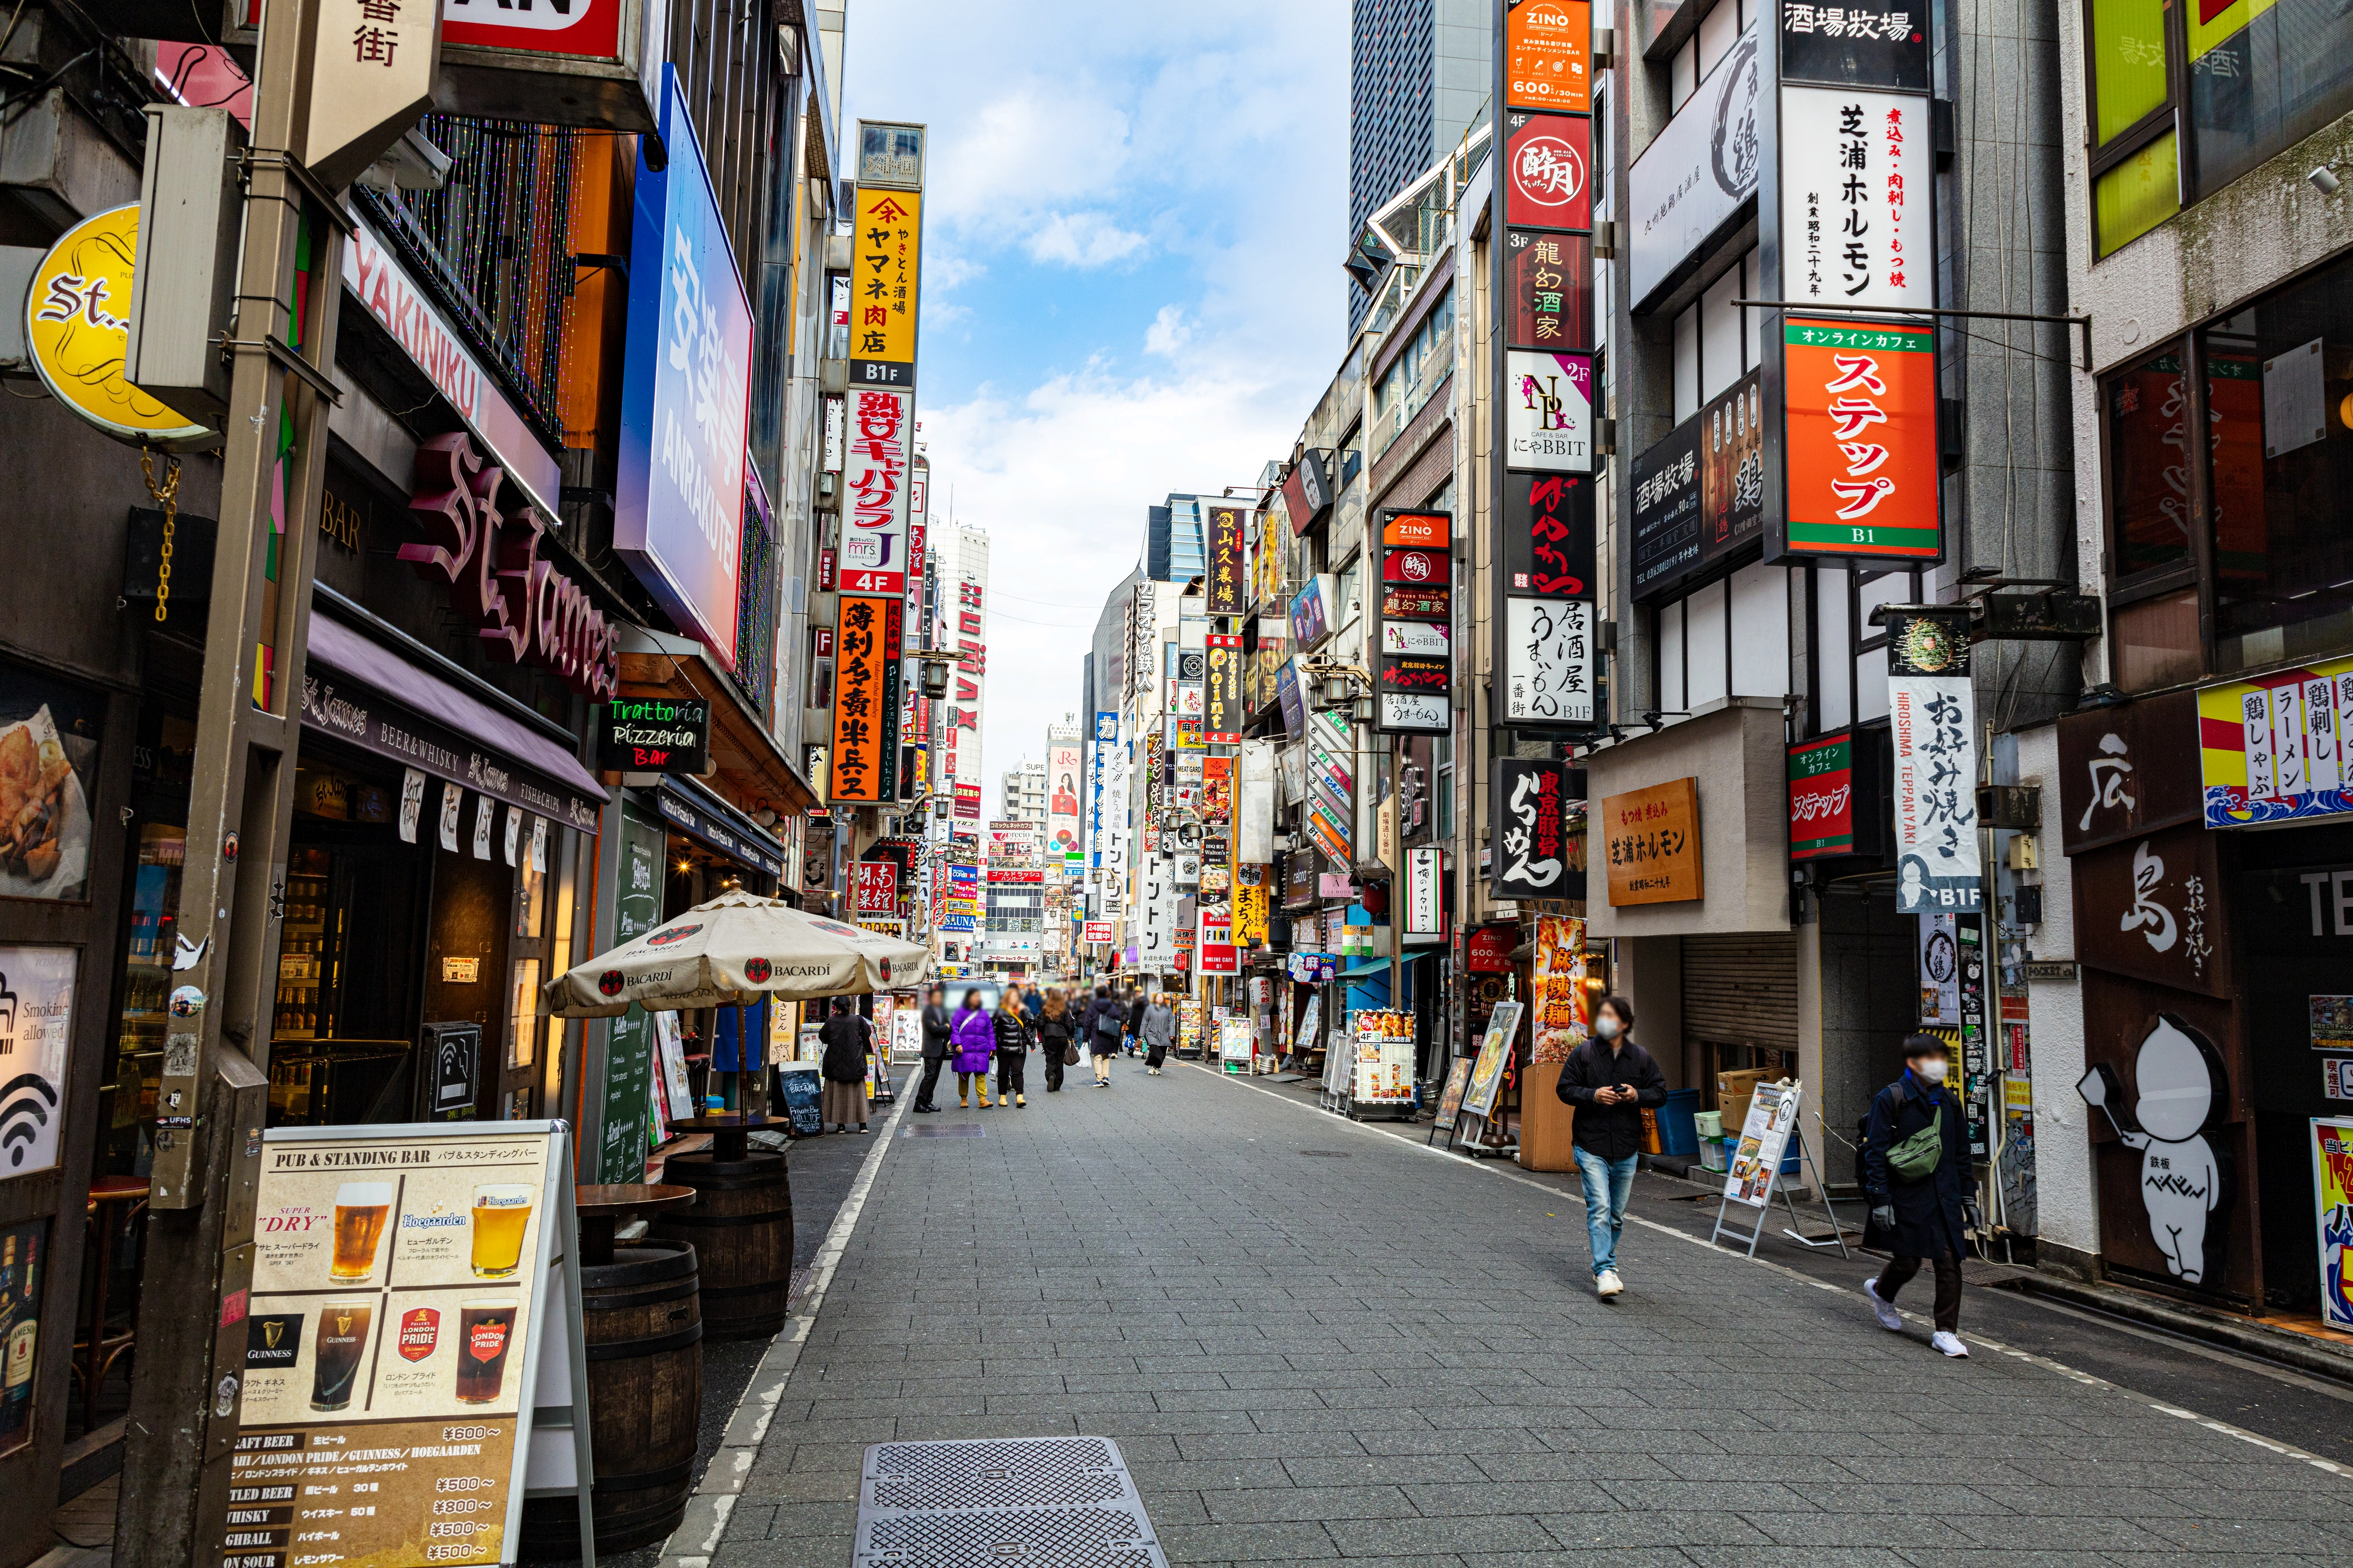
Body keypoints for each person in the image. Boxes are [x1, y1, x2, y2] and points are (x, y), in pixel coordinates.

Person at [1862, 1033, 1978, 1357]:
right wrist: (1880, 1198)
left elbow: (1961, 1154)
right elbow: (1876, 1152)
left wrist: (1968, 1196)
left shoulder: (1950, 1102)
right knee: (1908, 1262)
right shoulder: (1891, 1098)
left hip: (1944, 1196)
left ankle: (1946, 1332)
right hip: (1906, 1195)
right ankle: (1882, 1292)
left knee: (1949, 1261)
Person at [1554, 995, 1667, 1299]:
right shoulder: (1584, 1054)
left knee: (1616, 1214)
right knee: (1600, 1207)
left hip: (1627, 1147)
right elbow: (1564, 1089)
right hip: (1590, 1143)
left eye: (1612, 1017)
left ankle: (1605, 1265)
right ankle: (1604, 1269)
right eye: (1602, 1015)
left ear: (1625, 1023)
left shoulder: (1640, 1057)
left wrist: (1635, 1095)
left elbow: (1660, 1092)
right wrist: (1593, 1095)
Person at [818, 999, 874, 1134]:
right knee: (859, 1095)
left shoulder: (830, 1021)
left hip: (835, 1064)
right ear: (850, 1006)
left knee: (838, 1095)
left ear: (835, 1007)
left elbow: (823, 1038)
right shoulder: (858, 1020)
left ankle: (841, 1126)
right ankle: (863, 1126)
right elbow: (867, 1034)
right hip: (856, 1063)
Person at [950, 989, 995, 1107]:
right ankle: (964, 1099)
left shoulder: (984, 1014)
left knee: (981, 1074)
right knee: (964, 1074)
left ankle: (982, 1099)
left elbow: (990, 1032)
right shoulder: (960, 1012)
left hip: (981, 1049)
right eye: (975, 996)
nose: (978, 999)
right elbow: (955, 1029)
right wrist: (957, 1044)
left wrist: (992, 1047)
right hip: (965, 1048)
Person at [912, 986, 952, 1113]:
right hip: (931, 1049)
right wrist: (946, 1027)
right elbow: (935, 1030)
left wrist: (946, 1027)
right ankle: (919, 1103)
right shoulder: (927, 1012)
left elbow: (949, 1026)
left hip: (940, 1049)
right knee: (929, 1076)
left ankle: (928, 1102)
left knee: (935, 1077)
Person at [992, 990, 1032, 1107]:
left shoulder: (1021, 1011)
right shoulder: (999, 1012)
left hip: (1018, 1048)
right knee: (1003, 1073)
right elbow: (994, 1029)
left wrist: (1031, 1042)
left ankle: (1020, 1097)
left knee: (1018, 1072)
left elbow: (1026, 1028)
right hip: (1003, 1048)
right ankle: (1002, 1097)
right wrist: (994, 1045)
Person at [1081, 984, 1124, 1086]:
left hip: (1096, 1033)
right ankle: (1106, 1077)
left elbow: (1087, 1023)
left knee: (1097, 1057)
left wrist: (1085, 1038)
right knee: (1106, 1055)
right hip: (1108, 1034)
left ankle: (1099, 1079)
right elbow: (1119, 1019)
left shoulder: (1093, 1006)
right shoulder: (1112, 1006)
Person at [1036, 989, 1073, 1093]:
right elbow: (1070, 1025)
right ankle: (1057, 1085)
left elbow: (1040, 1023)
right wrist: (1067, 1033)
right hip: (1061, 1036)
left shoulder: (1046, 1008)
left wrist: (1046, 1030)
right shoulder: (1064, 1008)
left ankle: (1051, 1075)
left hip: (1049, 1036)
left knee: (1050, 1059)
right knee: (1059, 1060)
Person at [1141, 993, 1175, 1074]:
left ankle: (1157, 1067)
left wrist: (1172, 1034)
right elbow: (1145, 1022)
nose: (1160, 998)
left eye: (1161, 997)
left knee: (1162, 1052)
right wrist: (1141, 1035)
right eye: (1158, 997)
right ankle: (1152, 1066)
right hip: (1152, 1033)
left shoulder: (1168, 1009)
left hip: (1164, 1033)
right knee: (1154, 1050)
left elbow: (1171, 1022)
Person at [1125, 987, 1147, 1056]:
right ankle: (1143, 1053)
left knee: (1133, 1038)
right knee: (1142, 1038)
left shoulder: (1134, 1006)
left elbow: (1132, 1018)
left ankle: (1131, 1050)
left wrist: (1130, 1030)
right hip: (1142, 1024)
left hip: (1136, 1024)